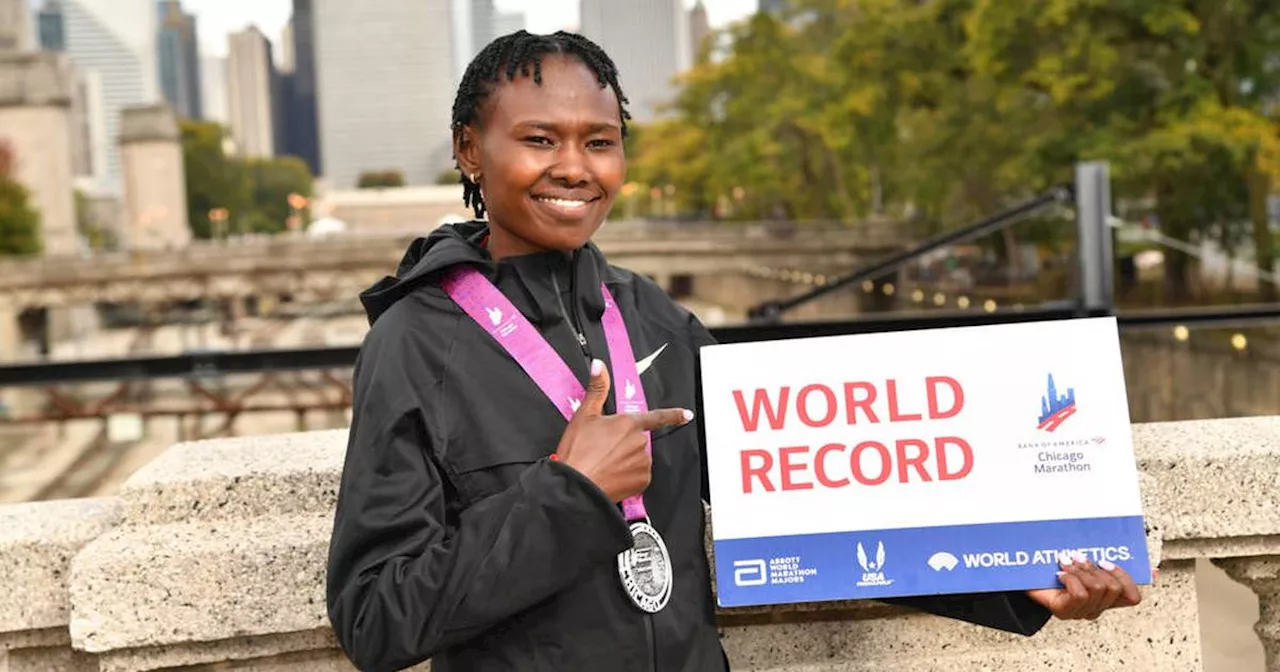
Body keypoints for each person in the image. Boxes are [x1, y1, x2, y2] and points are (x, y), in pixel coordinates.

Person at [325, 30, 1143, 672]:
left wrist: (1016, 580)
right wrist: (566, 494)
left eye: (600, 141)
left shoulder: (652, 318)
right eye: (539, 139)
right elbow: (375, 617)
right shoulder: (415, 341)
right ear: (472, 150)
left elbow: (813, 507)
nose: (574, 168)